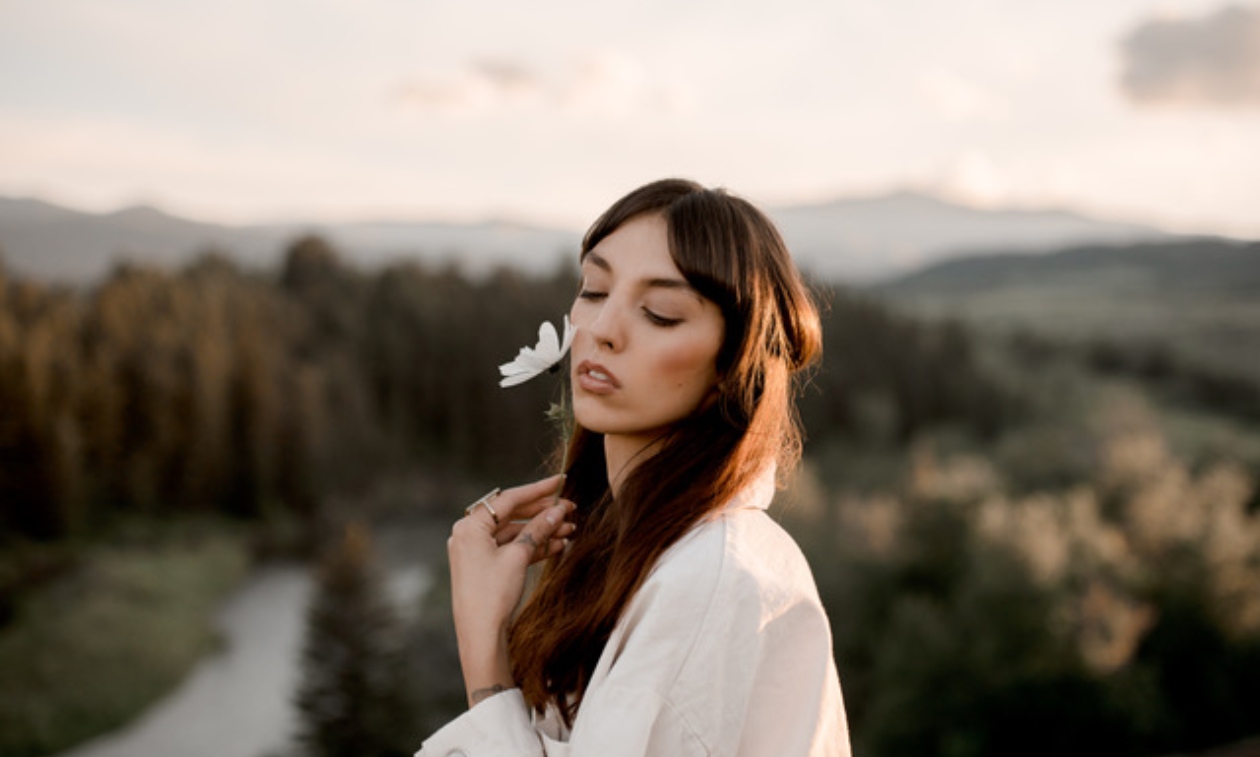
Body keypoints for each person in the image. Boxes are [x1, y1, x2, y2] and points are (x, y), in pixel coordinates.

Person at [418, 178, 850, 756]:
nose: (601, 330)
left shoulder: (714, 586)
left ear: (733, 363)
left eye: (660, 313)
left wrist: (486, 666)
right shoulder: (633, 548)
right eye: (594, 290)